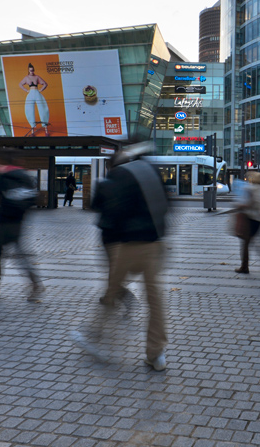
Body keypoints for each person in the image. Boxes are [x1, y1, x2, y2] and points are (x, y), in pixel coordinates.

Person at [72, 138, 169, 371]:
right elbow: (168, 204)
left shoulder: (120, 174)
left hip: (128, 244)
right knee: (154, 299)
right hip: (154, 244)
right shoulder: (153, 172)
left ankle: (94, 336)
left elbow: (110, 209)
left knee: (113, 288)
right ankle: (156, 355)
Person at [0, 164, 42, 299]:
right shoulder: (25, 176)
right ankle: (34, 282)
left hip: (3, 221)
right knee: (20, 255)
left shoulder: (2, 176)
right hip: (18, 222)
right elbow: (34, 198)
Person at [19, 63, 50, 137]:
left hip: (37, 92)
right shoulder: (26, 77)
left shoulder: (37, 77)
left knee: (43, 109)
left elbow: (45, 84)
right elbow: (20, 84)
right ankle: (32, 130)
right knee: (30, 110)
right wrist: (26, 90)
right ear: (28, 71)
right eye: (30, 70)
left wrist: (40, 90)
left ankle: (46, 129)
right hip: (30, 93)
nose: (32, 72)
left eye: (33, 70)